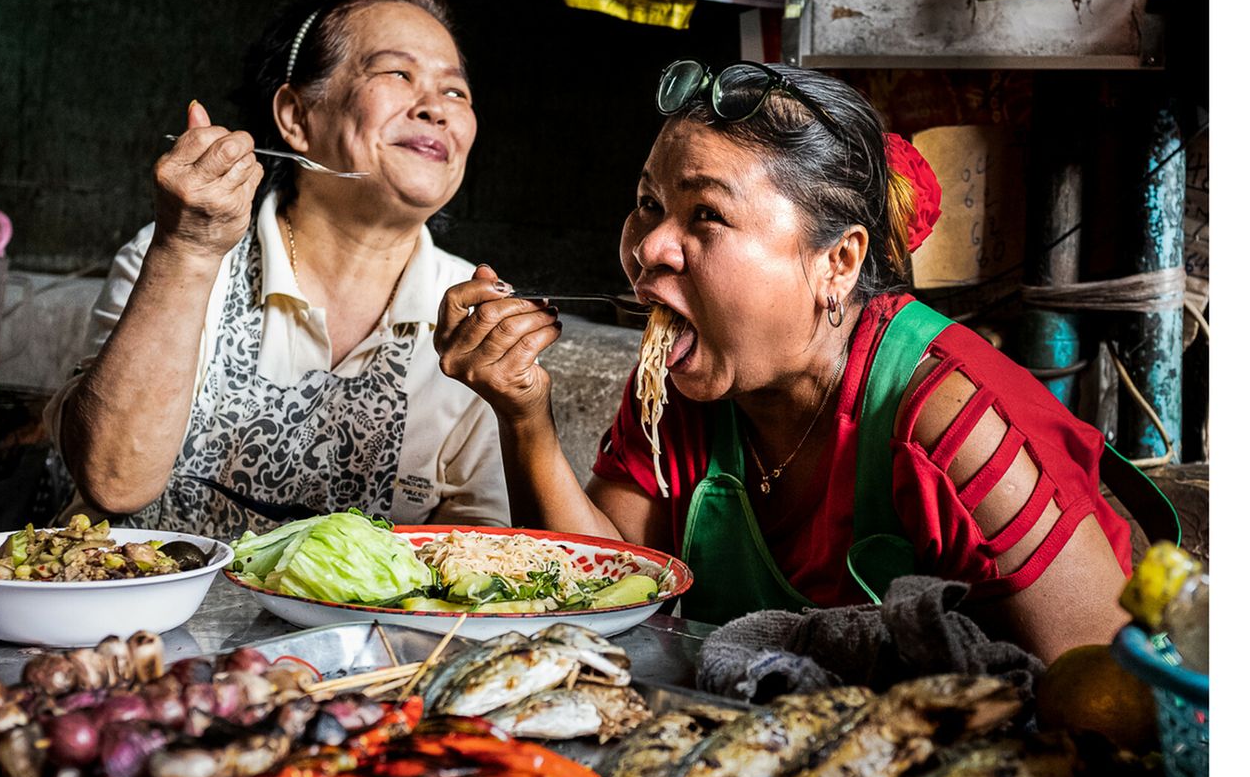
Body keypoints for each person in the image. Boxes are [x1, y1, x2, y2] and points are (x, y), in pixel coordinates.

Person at [435, 60, 1151, 663]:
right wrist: (524, 416)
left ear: (837, 261)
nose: (650, 246)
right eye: (649, 203)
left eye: (706, 214)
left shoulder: (954, 421)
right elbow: (600, 585)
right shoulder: (683, 385)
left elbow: (1104, 692)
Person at [44, 0, 509, 540]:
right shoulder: (183, 257)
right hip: (137, 598)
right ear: (295, 116)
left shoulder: (474, 319)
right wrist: (187, 250)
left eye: (456, 92)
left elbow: (480, 551)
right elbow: (112, 482)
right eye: (397, 74)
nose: (436, 108)